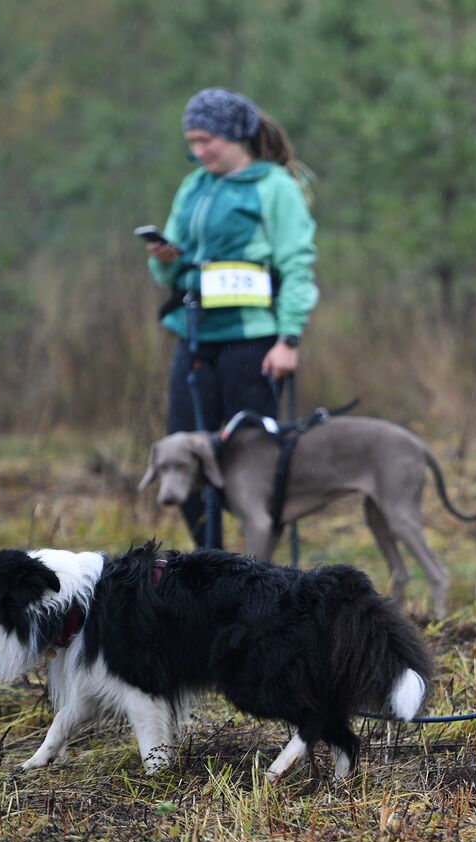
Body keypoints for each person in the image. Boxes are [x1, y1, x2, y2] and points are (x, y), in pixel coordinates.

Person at [144, 87, 319, 545]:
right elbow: (171, 266)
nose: (199, 151)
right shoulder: (194, 186)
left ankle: (255, 575)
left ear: (235, 135)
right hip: (195, 336)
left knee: (248, 463)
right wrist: (164, 257)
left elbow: (297, 267)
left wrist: (289, 339)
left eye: (207, 140)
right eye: (192, 142)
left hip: (254, 342)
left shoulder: (275, 187)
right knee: (180, 453)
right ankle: (211, 564)